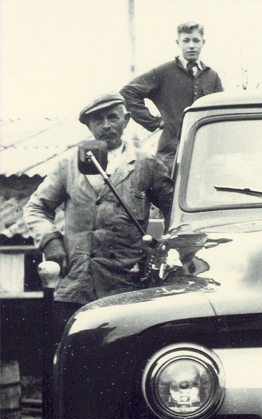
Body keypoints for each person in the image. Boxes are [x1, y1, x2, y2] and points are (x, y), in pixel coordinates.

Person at [24, 92, 173, 332]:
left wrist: (166, 249)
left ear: (126, 120)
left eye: (112, 118)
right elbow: (36, 208)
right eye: (97, 120)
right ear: (89, 126)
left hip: (127, 286)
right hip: (76, 285)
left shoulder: (147, 164)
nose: (106, 126)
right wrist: (50, 241)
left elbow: (173, 209)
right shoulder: (68, 164)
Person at [120, 21, 223, 170]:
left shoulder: (211, 76)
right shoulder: (164, 72)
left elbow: (221, 112)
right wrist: (154, 122)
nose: (191, 45)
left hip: (206, 153)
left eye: (196, 40)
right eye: (186, 41)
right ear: (178, 42)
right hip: (170, 154)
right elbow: (127, 93)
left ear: (203, 42)